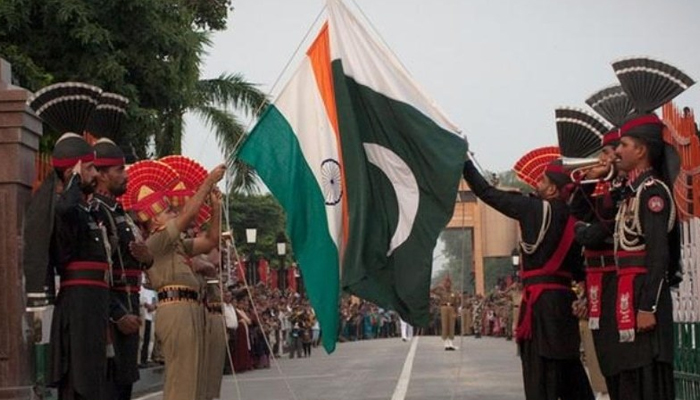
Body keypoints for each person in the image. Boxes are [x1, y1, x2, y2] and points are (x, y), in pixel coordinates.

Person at [463, 147, 593, 400]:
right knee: (570, 373)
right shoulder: (575, 218)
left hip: (539, 306)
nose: (537, 182)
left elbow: (486, 193)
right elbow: (582, 271)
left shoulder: (533, 209)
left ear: (554, 189)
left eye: (543, 179)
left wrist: (464, 162)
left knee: (539, 377)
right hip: (564, 305)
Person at [601, 57, 694, 400]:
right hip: (629, 293)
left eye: (623, 146)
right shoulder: (632, 192)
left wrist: (647, 307)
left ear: (641, 150)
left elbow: (658, 254)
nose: (617, 153)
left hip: (643, 299)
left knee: (647, 384)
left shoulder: (653, 193)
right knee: (629, 381)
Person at [124, 160, 225, 400]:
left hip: (191, 308)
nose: (174, 214)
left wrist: (216, 208)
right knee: (182, 382)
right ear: (154, 219)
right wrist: (208, 181)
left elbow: (211, 242)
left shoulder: (177, 244)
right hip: (176, 309)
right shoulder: (156, 242)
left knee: (195, 381)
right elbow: (188, 214)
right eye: (167, 211)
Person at [93, 138, 153, 400]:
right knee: (109, 388)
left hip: (130, 304)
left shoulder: (122, 213)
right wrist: (117, 314)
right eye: (119, 171)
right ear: (102, 175)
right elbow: (96, 272)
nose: (125, 176)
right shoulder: (96, 211)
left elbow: (139, 260)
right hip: (110, 314)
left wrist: (148, 258)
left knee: (124, 386)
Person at [431, 277, 457, 350]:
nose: (448, 284)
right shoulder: (441, 292)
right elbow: (431, 291)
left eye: (449, 282)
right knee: (445, 325)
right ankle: (446, 343)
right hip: (444, 307)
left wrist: (456, 312)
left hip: (451, 308)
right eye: (446, 282)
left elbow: (456, 303)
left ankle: (451, 342)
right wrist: (438, 286)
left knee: (451, 325)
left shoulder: (453, 292)